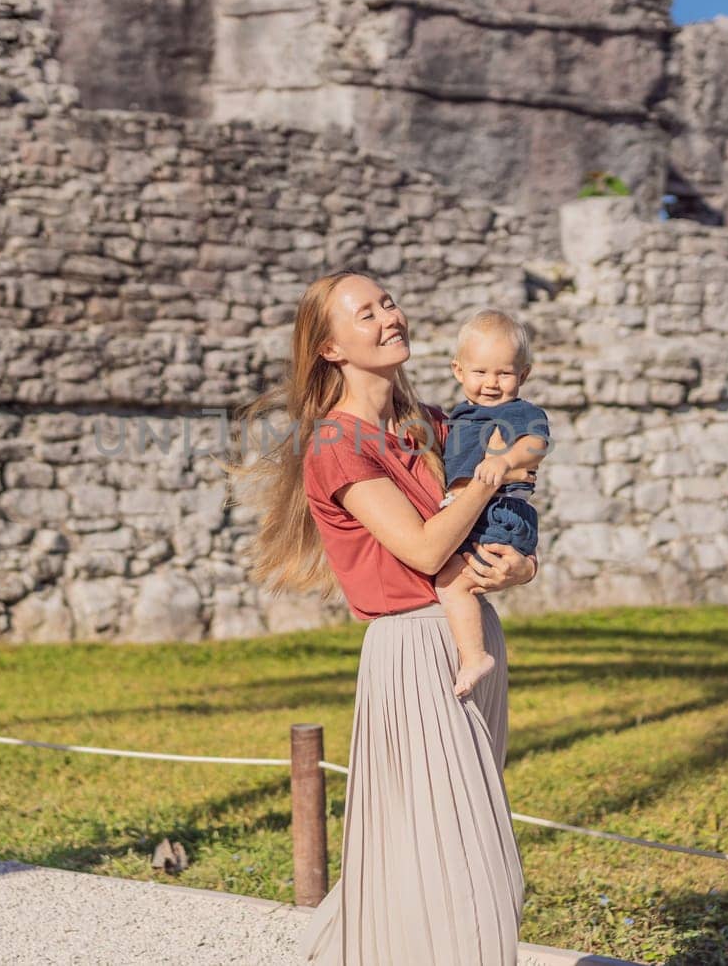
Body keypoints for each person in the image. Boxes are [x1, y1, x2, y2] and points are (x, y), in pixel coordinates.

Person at [236, 271, 538, 966]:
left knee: (436, 846)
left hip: (472, 637)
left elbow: (501, 514)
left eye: (388, 302)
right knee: (475, 867)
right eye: (363, 314)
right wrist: (491, 473)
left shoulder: (431, 423)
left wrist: (523, 565)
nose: (386, 318)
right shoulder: (337, 445)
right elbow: (429, 546)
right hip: (412, 651)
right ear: (331, 348)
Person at [433, 310, 550, 699]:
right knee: (457, 580)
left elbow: (536, 446)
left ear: (524, 375)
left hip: (500, 513)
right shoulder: (459, 415)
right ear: (458, 370)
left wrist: (506, 461)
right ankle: (473, 651)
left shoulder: (518, 412)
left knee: (452, 583)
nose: (491, 383)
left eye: (503, 374)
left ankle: (475, 655)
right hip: (479, 515)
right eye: (480, 372)